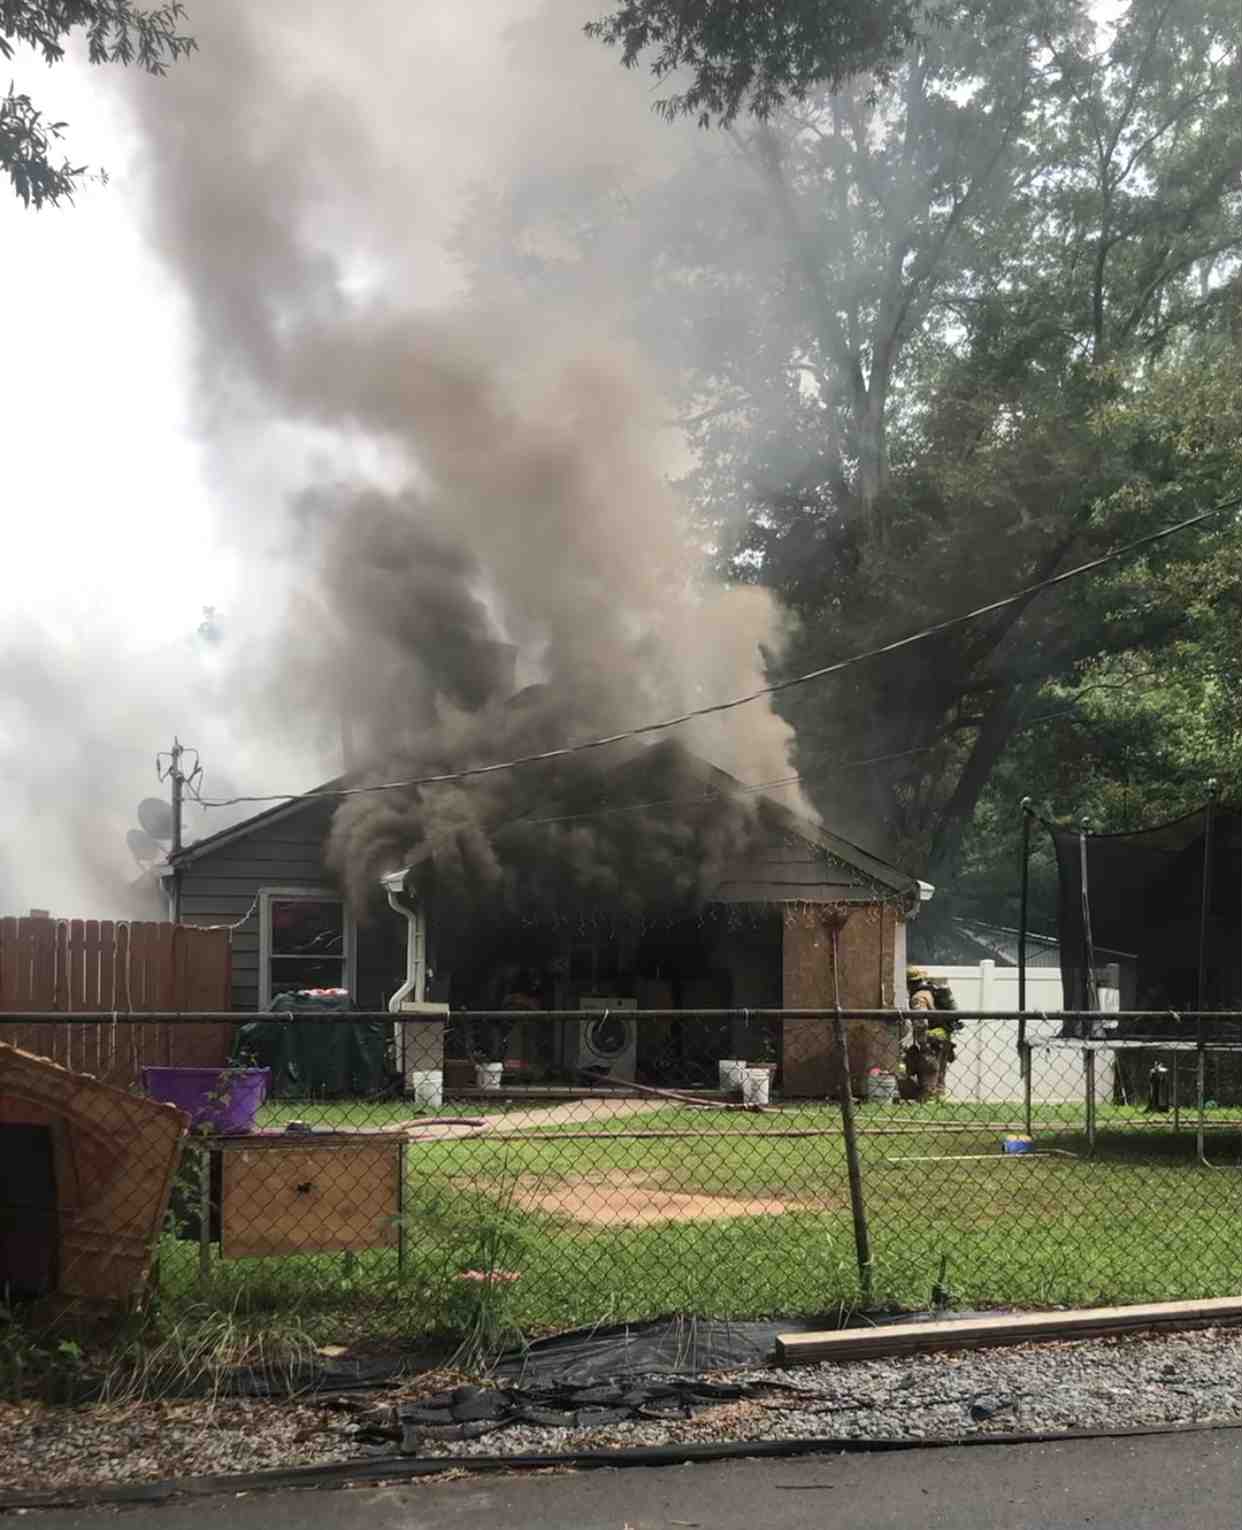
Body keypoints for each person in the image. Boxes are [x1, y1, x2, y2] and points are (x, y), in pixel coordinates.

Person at [904, 966, 960, 1102]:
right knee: (940, 1074)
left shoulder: (918, 997)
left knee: (928, 1073)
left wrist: (923, 1044)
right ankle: (939, 1102)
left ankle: (928, 1102)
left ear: (909, 983)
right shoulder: (931, 993)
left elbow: (921, 1022)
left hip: (931, 1039)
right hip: (944, 1037)